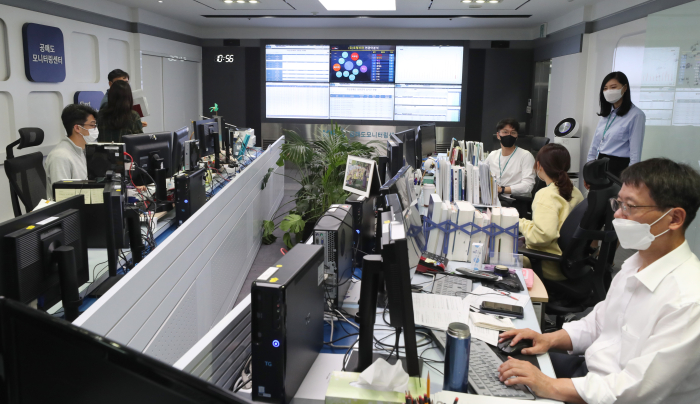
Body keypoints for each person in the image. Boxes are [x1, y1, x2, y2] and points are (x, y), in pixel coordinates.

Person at [497, 158, 700, 404]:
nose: (617, 214)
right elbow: (597, 324)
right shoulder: (635, 264)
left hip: (612, 395)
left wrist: (548, 385)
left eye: (630, 207)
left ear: (675, 218)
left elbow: (635, 390)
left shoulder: (689, 301)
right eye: (619, 203)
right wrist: (548, 339)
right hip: (591, 375)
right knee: (498, 361)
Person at [519, 144, 584, 281]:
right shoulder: (576, 192)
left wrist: (518, 223)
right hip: (569, 264)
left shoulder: (546, 195)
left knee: (498, 253)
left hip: (546, 265)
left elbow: (542, 236)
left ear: (539, 166)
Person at [585, 71, 646, 179]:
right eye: (605, 88)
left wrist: (630, 179)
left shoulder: (636, 115)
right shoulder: (606, 115)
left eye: (613, 87)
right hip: (600, 164)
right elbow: (594, 145)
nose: (609, 91)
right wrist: (589, 171)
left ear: (625, 88)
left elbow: (635, 154)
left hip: (620, 167)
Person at [45, 104, 99, 199]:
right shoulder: (60, 157)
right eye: (92, 125)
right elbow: (62, 199)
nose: (95, 129)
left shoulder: (83, 150)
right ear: (77, 128)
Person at [485, 119, 536, 197]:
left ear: (517, 136)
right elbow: (481, 175)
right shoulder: (492, 155)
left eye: (513, 133)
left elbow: (528, 186)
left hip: (514, 201)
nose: (509, 135)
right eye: (505, 132)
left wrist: (502, 190)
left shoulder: (526, 156)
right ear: (498, 135)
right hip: (493, 199)